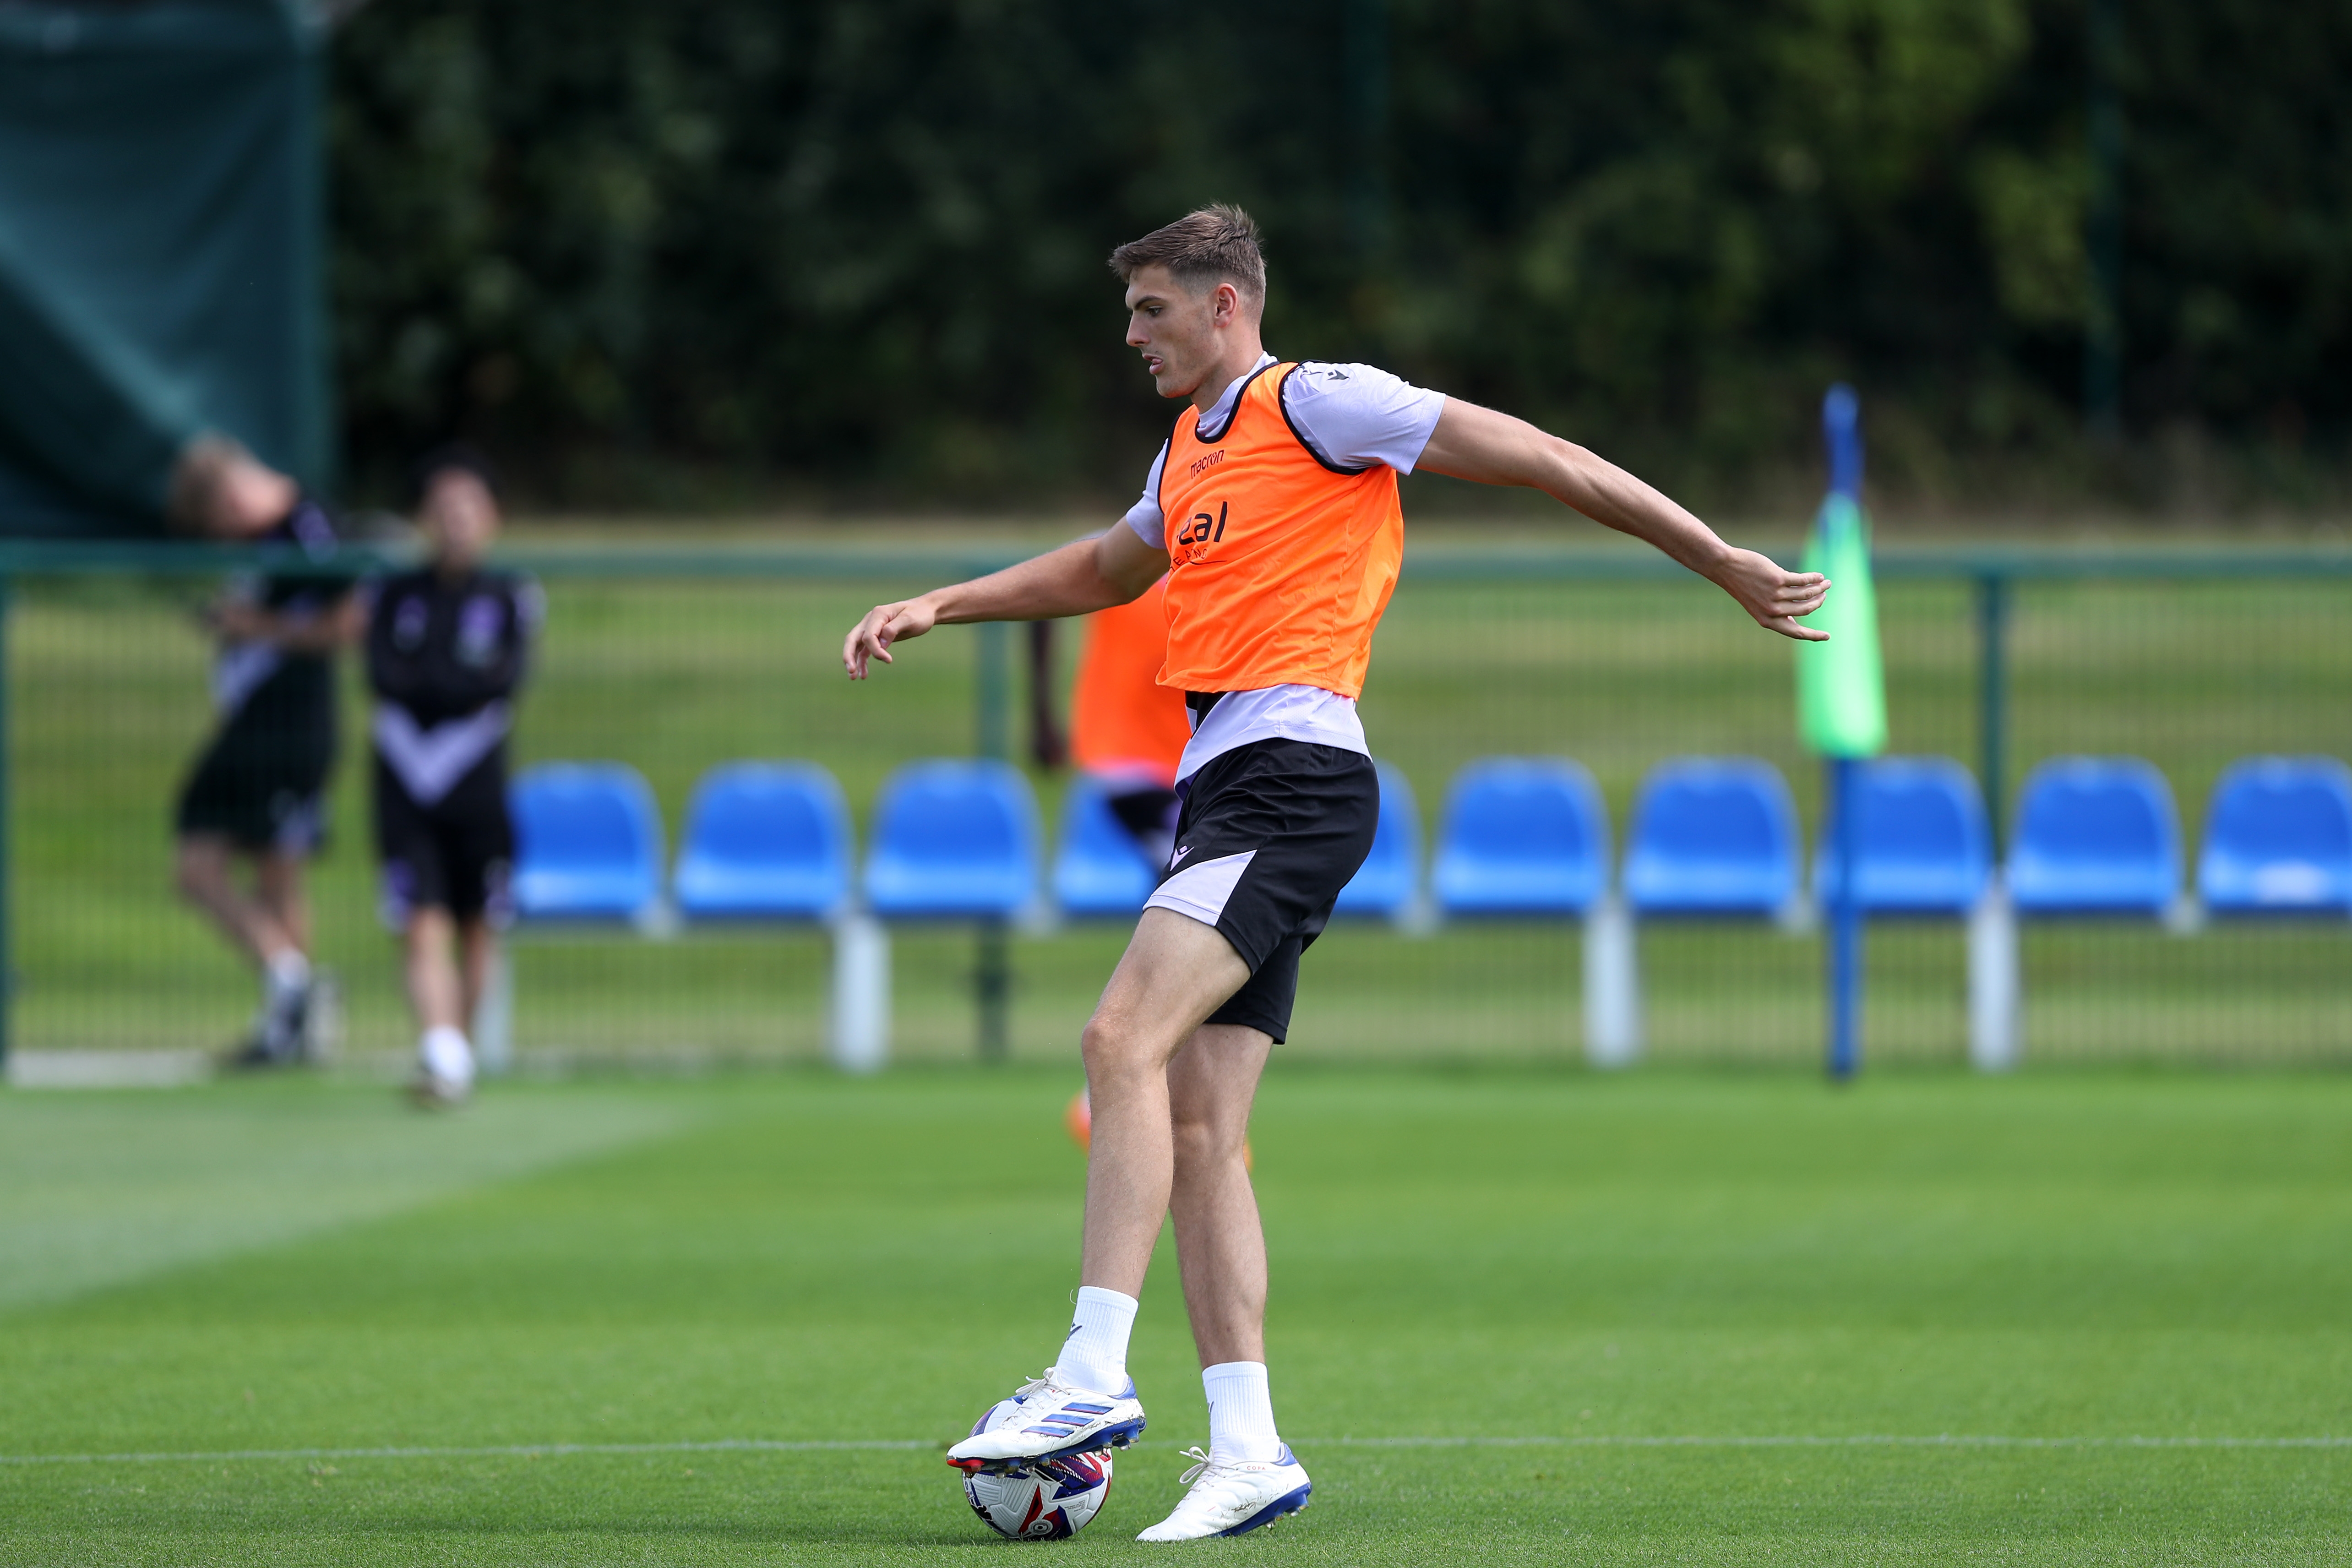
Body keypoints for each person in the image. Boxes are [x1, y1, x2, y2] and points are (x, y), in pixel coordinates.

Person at [841, 205, 1829, 1541]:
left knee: (1114, 1037)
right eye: (1128, 312)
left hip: (1293, 777)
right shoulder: (1184, 453)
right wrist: (940, 603)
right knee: (1198, 1127)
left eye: (1150, 310)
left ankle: (1086, 1374)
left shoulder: (1319, 401)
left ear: (1225, 306)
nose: (1130, 335)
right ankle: (1246, 1445)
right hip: (1232, 786)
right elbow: (1097, 566)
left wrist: (1713, 557)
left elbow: (1537, 455)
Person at [362, 448, 539, 1109]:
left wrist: (441, 689)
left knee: (476, 923)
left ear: (491, 517)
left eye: (468, 507)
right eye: (442, 509)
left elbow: (499, 680)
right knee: (420, 917)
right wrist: (444, 689)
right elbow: (384, 676)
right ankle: (440, 1047)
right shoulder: (394, 594)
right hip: (406, 776)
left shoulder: (511, 596)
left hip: (476, 779)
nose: (456, 521)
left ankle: (454, 1054)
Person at [174, 494, 365, 1067]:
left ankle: (293, 1004)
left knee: (272, 874)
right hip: (250, 729)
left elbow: (346, 620)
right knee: (234, 871)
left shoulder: (308, 527)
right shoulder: (261, 552)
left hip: (291, 731)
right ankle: (291, 1001)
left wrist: (251, 625)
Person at [1068, 572, 1192, 869]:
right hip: (1126, 761)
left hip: (1183, 760)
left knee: (1181, 863)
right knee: (1183, 859)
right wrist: (1042, 715)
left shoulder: (1217, 576)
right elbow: (1048, 583)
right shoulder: (1131, 558)